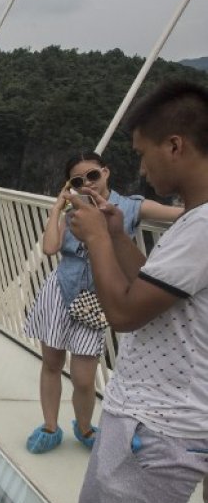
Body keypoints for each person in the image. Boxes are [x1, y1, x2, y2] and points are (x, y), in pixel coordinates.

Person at [67, 81, 208, 503]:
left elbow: (125, 313)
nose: (142, 170)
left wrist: (95, 244)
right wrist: (115, 234)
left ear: (175, 144)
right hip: (137, 416)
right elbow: (147, 283)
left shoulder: (206, 226)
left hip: (162, 431)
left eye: (144, 154)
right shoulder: (193, 222)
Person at [23, 152, 181, 454]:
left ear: (106, 172)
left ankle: (84, 428)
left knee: (84, 378)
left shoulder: (131, 206)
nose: (88, 184)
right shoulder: (74, 211)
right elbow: (50, 248)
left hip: (96, 300)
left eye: (93, 176)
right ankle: (50, 426)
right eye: (78, 181)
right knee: (52, 364)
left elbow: (179, 214)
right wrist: (58, 208)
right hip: (59, 291)